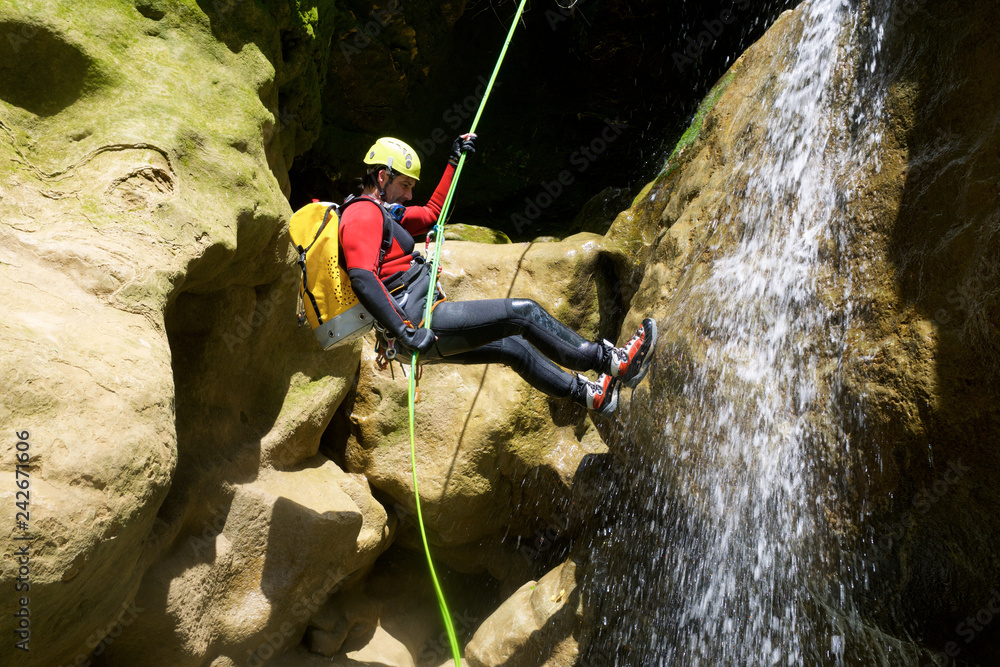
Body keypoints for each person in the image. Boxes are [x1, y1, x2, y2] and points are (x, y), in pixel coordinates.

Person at [338, 135, 656, 415]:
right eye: (405, 185)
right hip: (417, 322)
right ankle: (610, 361)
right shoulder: (361, 214)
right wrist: (406, 332)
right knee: (524, 313)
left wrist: (453, 161)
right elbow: (363, 278)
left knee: (513, 348)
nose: (409, 195)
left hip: (418, 322)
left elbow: (434, 213)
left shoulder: (385, 214)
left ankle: (590, 396)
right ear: (382, 176)